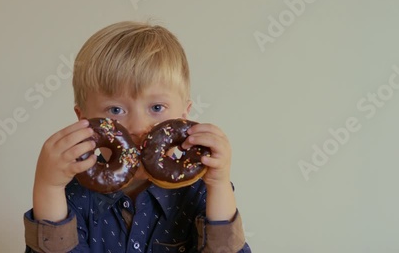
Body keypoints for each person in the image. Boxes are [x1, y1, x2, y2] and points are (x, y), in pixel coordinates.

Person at [23, 21, 251, 253]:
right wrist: (48, 187)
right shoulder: (73, 195)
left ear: (185, 115)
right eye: (115, 110)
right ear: (83, 120)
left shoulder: (200, 192)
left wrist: (219, 184)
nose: (139, 126)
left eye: (157, 107)